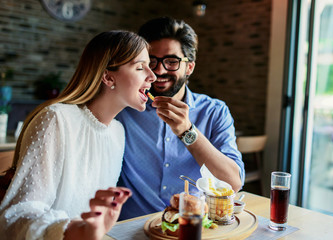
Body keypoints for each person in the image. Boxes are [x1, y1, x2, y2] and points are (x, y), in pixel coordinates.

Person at [0, 30, 156, 239]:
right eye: (139, 67)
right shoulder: (56, 119)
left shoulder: (118, 132)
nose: (152, 76)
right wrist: (78, 231)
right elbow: (18, 213)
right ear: (108, 76)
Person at [116, 16, 245, 220]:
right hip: (132, 228)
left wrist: (187, 131)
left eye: (171, 61)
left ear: (189, 68)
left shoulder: (214, 111)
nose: (159, 70)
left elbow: (233, 183)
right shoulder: (123, 109)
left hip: (191, 225)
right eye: (151, 61)